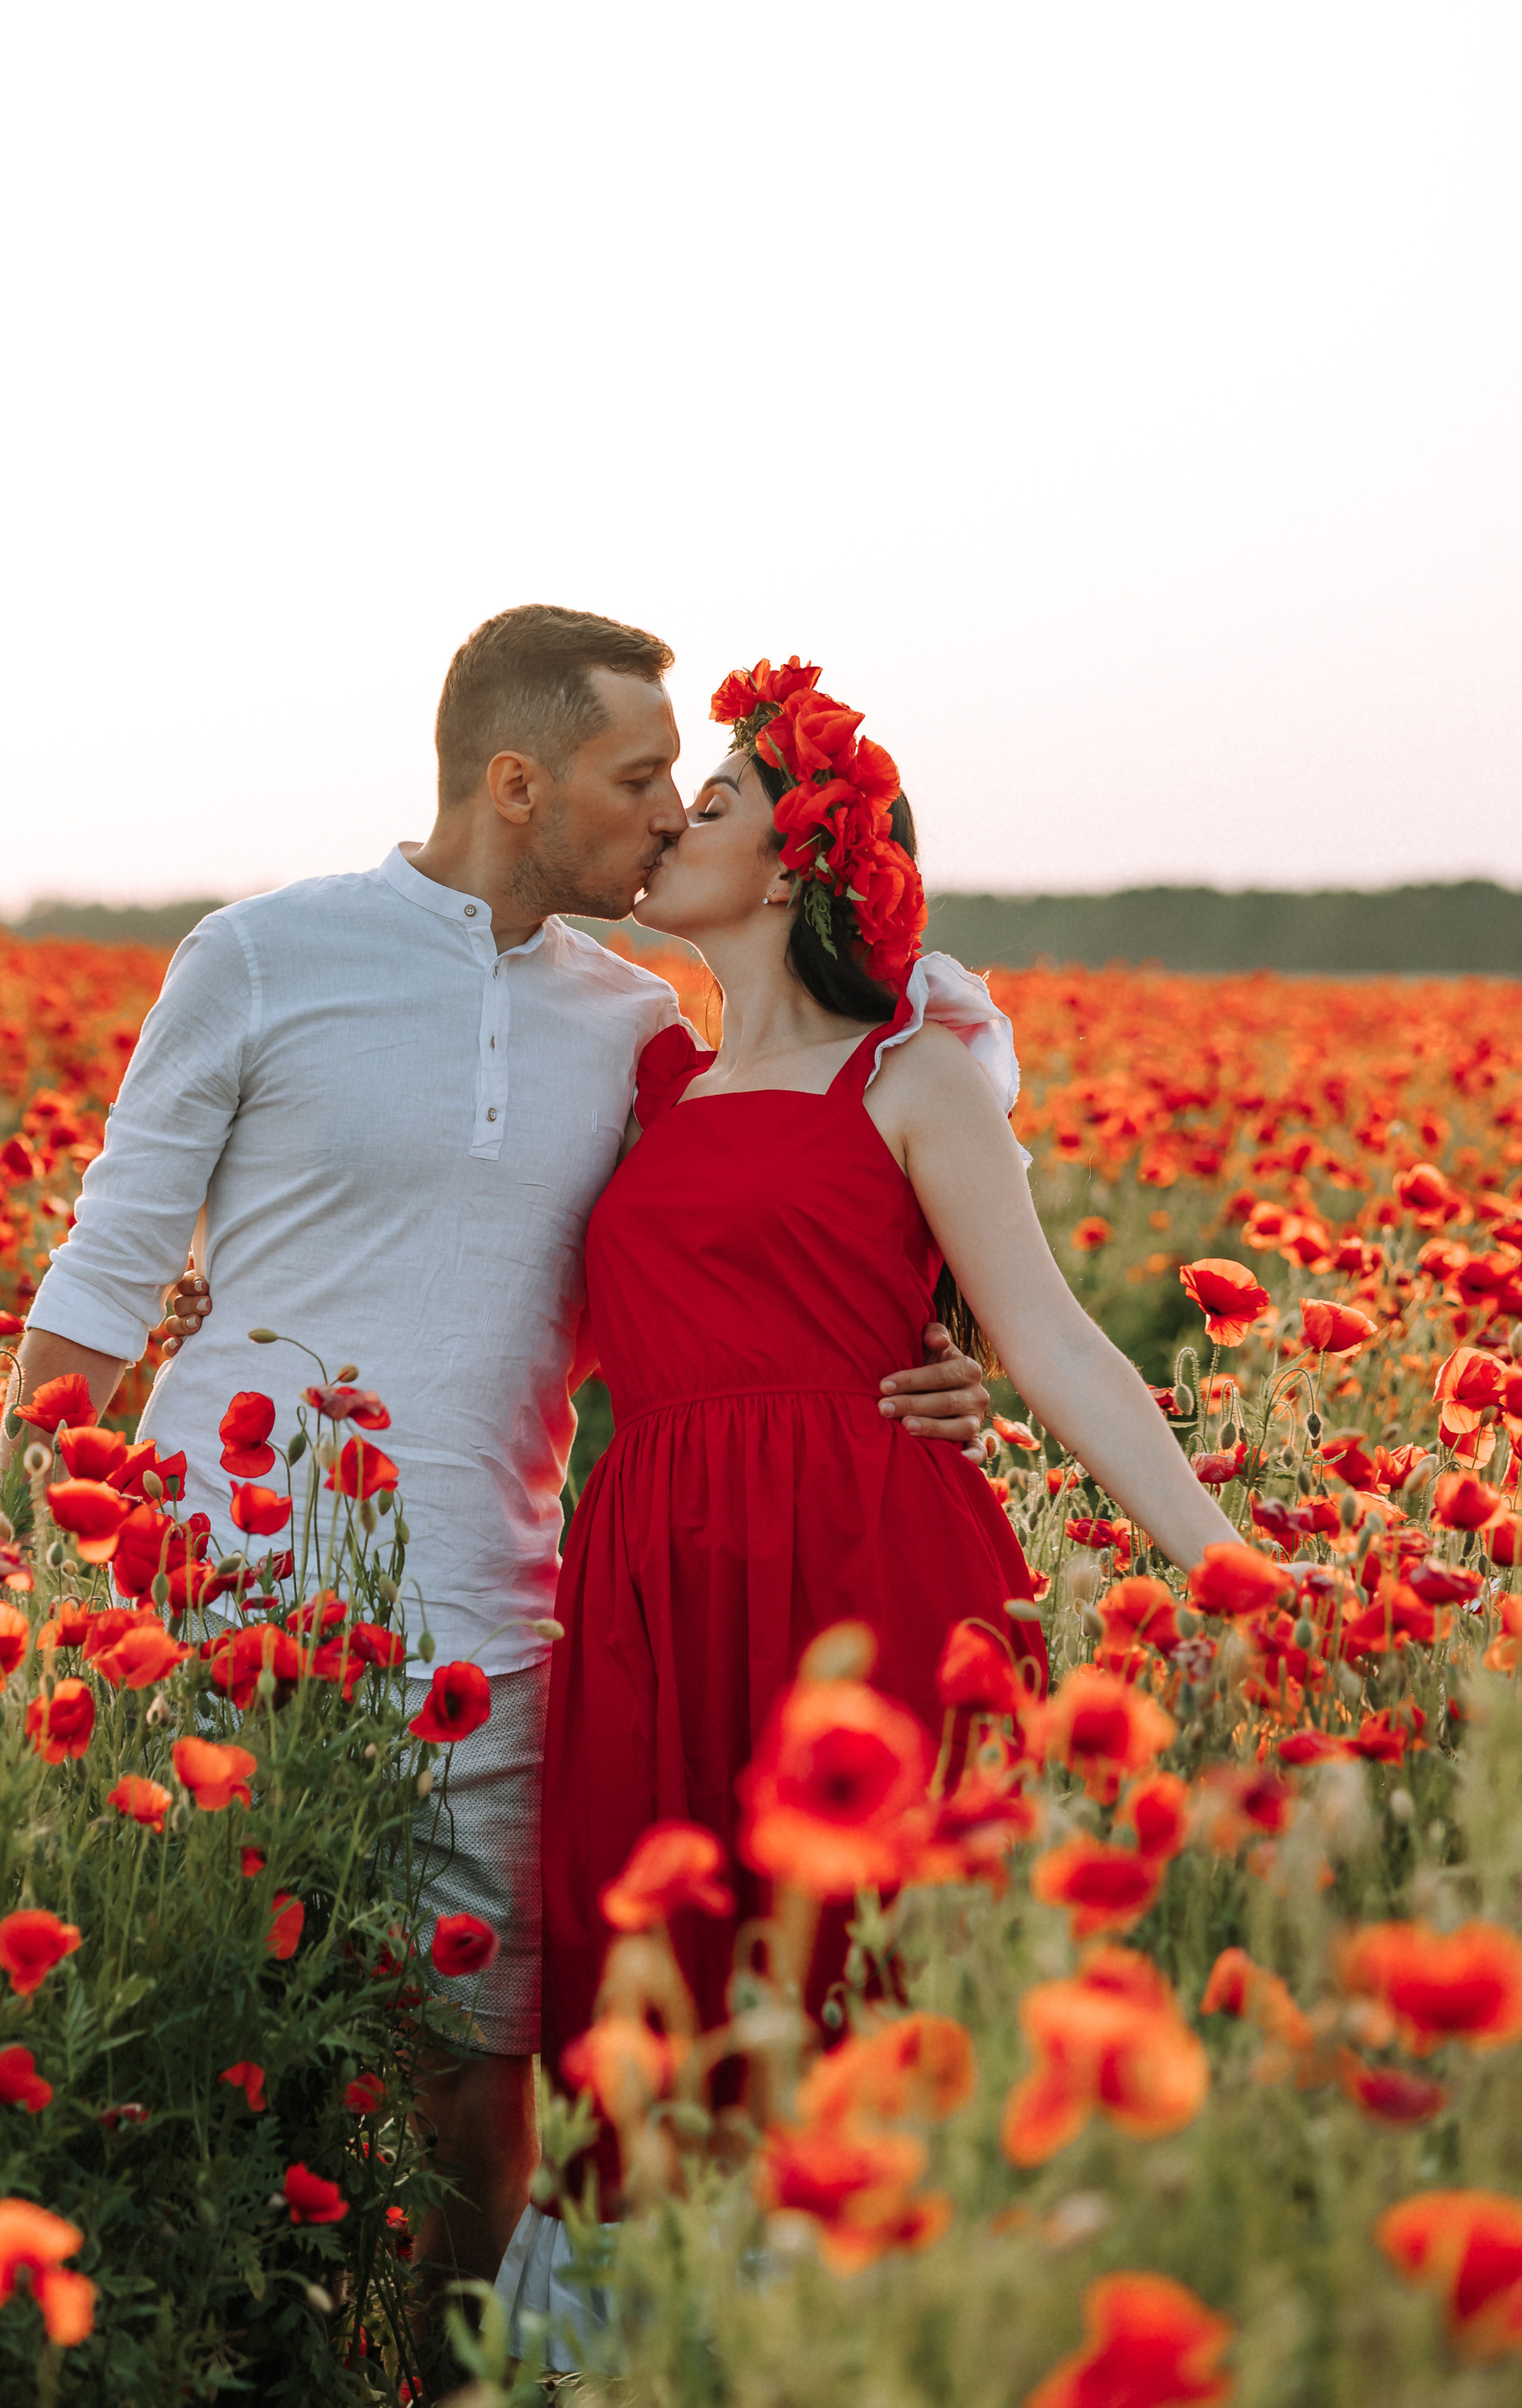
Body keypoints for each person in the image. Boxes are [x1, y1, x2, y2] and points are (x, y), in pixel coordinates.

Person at [11, 608, 991, 2298]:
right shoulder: (258, 957)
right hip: (211, 1599)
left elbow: (796, 1172)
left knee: (476, 2093)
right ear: (519, 785)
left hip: (492, 1626)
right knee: (194, 2050)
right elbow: (104, 1280)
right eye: (636, 776)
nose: (670, 812)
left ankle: (459, 2383)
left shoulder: (635, 1027)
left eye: (684, 780)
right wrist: (13, 1572)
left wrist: (923, 1352)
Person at [495, 654, 1238, 2332]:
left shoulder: (910, 1078)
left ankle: (874, 2342)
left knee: (864, 1967)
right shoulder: (645, 1085)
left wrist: (1221, 1567)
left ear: (796, 864)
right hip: (651, 1590)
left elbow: (1052, 1341)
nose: (669, 824)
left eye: (710, 801)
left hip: (866, 1570)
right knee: (647, 1990)